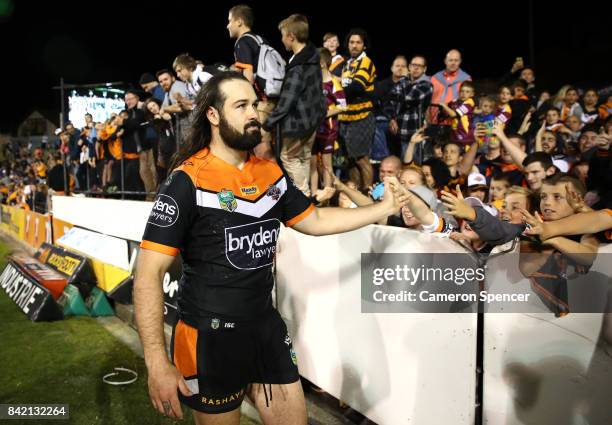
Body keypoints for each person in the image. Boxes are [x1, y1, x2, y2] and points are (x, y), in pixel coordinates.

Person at [134, 72, 402, 425]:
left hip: (265, 328)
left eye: (255, 105)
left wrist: (381, 209)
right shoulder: (187, 181)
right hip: (209, 338)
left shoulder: (270, 173)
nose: (253, 114)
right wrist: (156, 362)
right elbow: (147, 275)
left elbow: (315, 221)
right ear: (213, 116)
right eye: (241, 105)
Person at [262, 14, 325, 197]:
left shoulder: (298, 66)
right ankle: (304, 199)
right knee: (303, 158)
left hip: (298, 124)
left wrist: (267, 124)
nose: (281, 40)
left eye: (283, 35)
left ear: (291, 36)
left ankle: (303, 198)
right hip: (311, 122)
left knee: (289, 157)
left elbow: (286, 103)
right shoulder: (313, 57)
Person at [227, 4, 278, 161]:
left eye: (229, 21)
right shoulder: (261, 39)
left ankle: (273, 185)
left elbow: (248, 75)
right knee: (273, 147)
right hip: (274, 98)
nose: (227, 25)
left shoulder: (242, 42)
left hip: (262, 102)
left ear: (240, 21)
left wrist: (245, 101)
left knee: (262, 148)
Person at [338, 28, 377, 189]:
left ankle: (368, 196)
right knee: (350, 159)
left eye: (358, 42)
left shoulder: (366, 62)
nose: (354, 45)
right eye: (351, 42)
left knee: (361, 158)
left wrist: (336, 94)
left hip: (362, 116)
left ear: (364, 46)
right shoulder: (347, 64)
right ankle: (356, 195)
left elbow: (356, 87)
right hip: (346, 117)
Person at [388, 55, 433, 162]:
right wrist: (392, 118)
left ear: (424, 69)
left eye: (419, 66)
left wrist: (404, 79)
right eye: (413, 65)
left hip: (414, 134)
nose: (416, 68)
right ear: (409, 67)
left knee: (411, 168)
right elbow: (391, 99)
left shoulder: (426, 84)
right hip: (397, 133)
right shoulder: (404, 82)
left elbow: (408, 98)